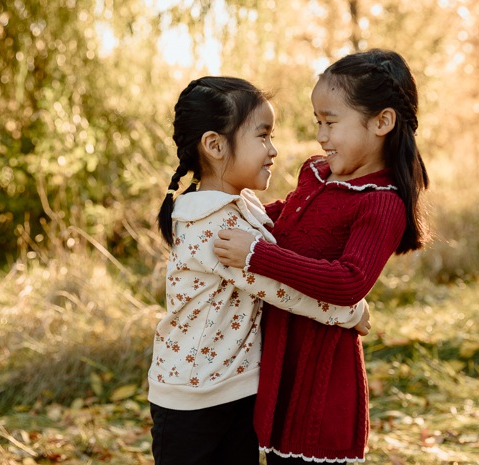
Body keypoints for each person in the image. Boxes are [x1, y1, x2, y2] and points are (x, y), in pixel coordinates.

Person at [213, 49, 430, 464]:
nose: (321, 135)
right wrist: (228, 213)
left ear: (382, 122)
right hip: (280, 355)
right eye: (318, 122)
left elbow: (349, 281)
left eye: (331, 122)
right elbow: (283, 220)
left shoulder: (382, 203)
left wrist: (257, 255)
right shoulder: (316, 173)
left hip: (322, 371)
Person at [149, 76, 371, 465]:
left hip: (236, 390)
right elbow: (281, 289)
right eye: (263, 136)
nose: (273, 150)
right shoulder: (214, 228)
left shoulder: (242, 207)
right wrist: (351, 312)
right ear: (216, 146)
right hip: (193, 402)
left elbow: (286, 231)